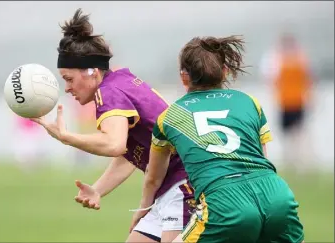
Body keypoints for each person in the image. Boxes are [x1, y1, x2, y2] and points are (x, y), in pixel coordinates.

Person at [31, 8, 194, 243]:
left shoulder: (108, 94)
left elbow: (114, 144)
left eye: (69, 79)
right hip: (168, 186)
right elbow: (130, 152)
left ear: (91, 72)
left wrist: (66, 137)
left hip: (185, 184)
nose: (66, 88)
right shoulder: (121, 81)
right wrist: (98, 189)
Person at [134, 35, 304, 243]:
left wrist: (142, 210)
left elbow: (153, 178)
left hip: (223, 201)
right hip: (276, 195)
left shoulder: (171, 116)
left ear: (184, 77)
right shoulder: (249, 102)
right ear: (224, 72)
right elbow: (263, 159)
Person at [259, 32, 313, 171]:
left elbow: (307, 80)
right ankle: (294, 161)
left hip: (294, 101)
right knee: (292, 133)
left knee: (296, 133)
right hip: (288, 101)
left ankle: (297, 161)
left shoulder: (290, 59)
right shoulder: (285, 58)